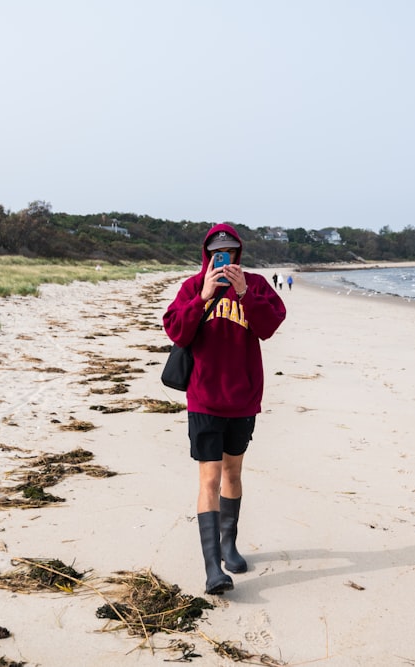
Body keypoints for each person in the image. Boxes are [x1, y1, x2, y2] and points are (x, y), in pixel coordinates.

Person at [163, 224, 287, 594]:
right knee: (209, 478)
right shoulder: (191, 287)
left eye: (230, 251)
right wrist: (202, 297)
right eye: (218, 251)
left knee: (232, 475)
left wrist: (245, 292)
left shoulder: (256, 285)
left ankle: (229, 544)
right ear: (207, 253)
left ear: (238, 253)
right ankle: (212, 568)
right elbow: (176, 332)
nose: (224, 258)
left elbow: (268, 326)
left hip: (242, 400)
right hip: (203, 399)